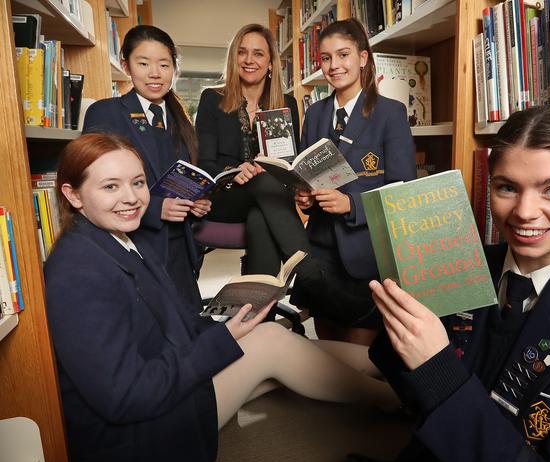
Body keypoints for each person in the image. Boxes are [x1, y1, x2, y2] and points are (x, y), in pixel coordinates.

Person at [279, 106, 550, 462]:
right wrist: (400, 323)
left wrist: (436, 367)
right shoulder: (464, 265)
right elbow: (409, 392)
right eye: (507, 187)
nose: (524, 212)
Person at [45, 133, 400, 462]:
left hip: (169, 388)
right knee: (271, 342)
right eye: (110, 187)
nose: (131, 198)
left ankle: (397, 365)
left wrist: (227, 319)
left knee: (271, 336)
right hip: (145, 431)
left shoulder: (119, 241)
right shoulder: (76, 272)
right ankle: (396, 398)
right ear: (72, 194)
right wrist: (223, 339)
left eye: (138, 183)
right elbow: (126, 397)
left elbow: (170, 324)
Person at [291, 18, 417, 346]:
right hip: (320, 245)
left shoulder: (390, 113)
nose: (334, 66)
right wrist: (303, 196)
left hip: (365, 248)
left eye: (343, 55)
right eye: (326, 58)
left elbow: (403, 190)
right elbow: (306, 171)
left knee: (358, 355)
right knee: (327, 346)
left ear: (362, 58)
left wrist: (352, 203)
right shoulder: (315, 113)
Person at [82, 25, 208, 311]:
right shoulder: (107, 112)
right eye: (144, 63)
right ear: (126, 65)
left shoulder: (180, 121)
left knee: (188, 326)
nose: (155, 73)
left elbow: (181, 177)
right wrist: (155, 208)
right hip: (136, 242)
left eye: (164, 65)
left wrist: (196, 201)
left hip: (180, 245)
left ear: (174, 69)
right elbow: (92, 186)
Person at [194, 24, 316, 280]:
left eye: (258, 54)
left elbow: (289, 163)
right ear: (234, 58)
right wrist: (234, 172)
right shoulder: (211, 99)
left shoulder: (287, 104)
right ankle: (309, 270)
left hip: (268, 200)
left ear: (270, 63)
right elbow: (205, 164)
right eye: (242, 52)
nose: (249, 60)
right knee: (262, 182)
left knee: (260, 218)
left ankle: (257, 311)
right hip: (224, 197)